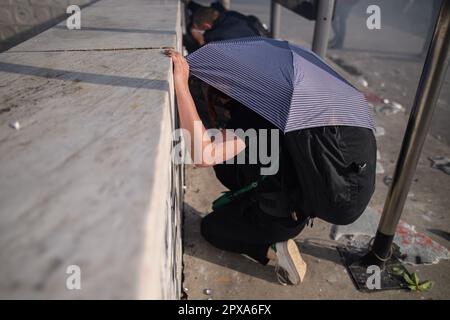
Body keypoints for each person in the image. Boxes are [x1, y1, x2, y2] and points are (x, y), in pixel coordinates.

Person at [166, 49, 308, 285]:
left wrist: (181, 85)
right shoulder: (275, 99)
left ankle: (271, 248)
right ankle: (261, 223)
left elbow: (203, 156)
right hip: (294, 208)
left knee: (211, 228)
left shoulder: (252, 116)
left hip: (276, 219)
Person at [184, 0, 267, 51]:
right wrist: (190, 4)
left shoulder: (217, 36)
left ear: (207, 26)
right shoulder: (231, 15)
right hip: (260, 44)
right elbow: (205, 12)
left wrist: (200, 40)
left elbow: (207, 54)